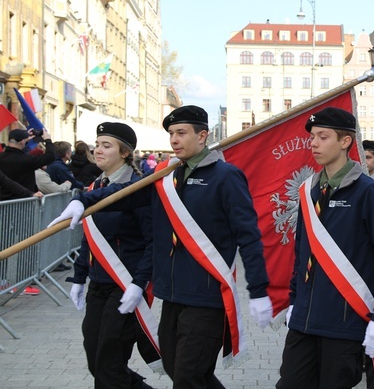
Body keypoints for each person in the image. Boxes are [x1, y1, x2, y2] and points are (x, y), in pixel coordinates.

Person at [51, 105, 273, 388]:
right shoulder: (165, 174)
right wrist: (82, 201)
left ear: (203, 135)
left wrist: (258, 290)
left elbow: (249, 236)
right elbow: (124, 194)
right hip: (173, 294)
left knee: (188, 375)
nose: (174, 140)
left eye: (181, 133)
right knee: (179, 369)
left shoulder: (226, 176)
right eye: (171, 133)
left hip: (207, 294)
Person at [277, 107, 374, 389]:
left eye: (323, 137)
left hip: (344, 319)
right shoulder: (309, 190)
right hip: (304, 319)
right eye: (312, 137)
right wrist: (295, 300)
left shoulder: (367, 191)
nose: (314, 143)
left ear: (345, 142)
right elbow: (302, 252)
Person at [62, 123, 155, 388]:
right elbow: (89, 239)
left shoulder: (138, 189)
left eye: (106, 145)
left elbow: (152, 242)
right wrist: (79, 277)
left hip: (125, 284)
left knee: (109, 362)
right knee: (95, 358)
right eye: (97, 143)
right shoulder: (94, 188)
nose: (97, 150)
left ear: (125, 152)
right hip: (98, 284)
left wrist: (140, 283)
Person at [0, 128, 55, 198]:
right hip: (23, 199)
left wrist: (24, 140)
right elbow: (50, 156)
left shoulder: (1, 157)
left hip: (4, 200)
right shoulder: (26, 160)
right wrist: (48, 140)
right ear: (22, 142)